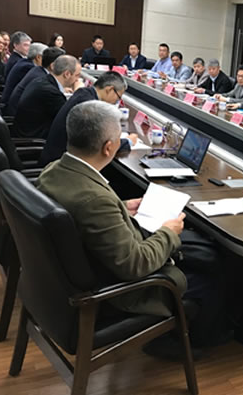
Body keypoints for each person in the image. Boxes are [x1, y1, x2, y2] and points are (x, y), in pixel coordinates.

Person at [37, 101, 227, 354]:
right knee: (211, 276)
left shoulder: (53, 171)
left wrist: (122, 208)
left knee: (200, 252)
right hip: (116, 292)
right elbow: (135, 265)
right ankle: (188, 342)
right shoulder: (95, 201)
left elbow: (83, 212)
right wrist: (169, 232)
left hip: (71, 277)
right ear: (108, 147)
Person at [40, 71, 138, 166]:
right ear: (109, 90)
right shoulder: (91, 107)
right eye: (118, 97)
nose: (117, 101)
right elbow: (100, 145)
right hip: (61, 164)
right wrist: (128, 142)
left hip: (56, 157)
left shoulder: (84, 93)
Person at [14, 55, 82, 138]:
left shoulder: (43, 80)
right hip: (35, 138)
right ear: (67, 74)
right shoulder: (50, 92)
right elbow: (71, 117)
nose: (78, 79)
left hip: (28, 130)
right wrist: (79, 92)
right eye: (77, 75)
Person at [4, 47, 64, 116]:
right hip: (18, 115)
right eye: (63, 64)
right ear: (52, 65)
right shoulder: (39, 77)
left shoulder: (38, 70)